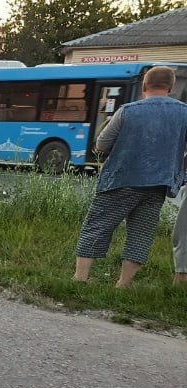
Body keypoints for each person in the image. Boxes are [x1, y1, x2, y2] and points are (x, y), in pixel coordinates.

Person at [74, 65, 187, 287]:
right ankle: (122, 285)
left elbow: (102, 145)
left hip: (120, 180)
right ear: (171, 87)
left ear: (145, 85)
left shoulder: (127, 111)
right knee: (141, 233)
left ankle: (80, 279)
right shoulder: (184, 113)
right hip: (158, 184)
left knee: (97, 227)